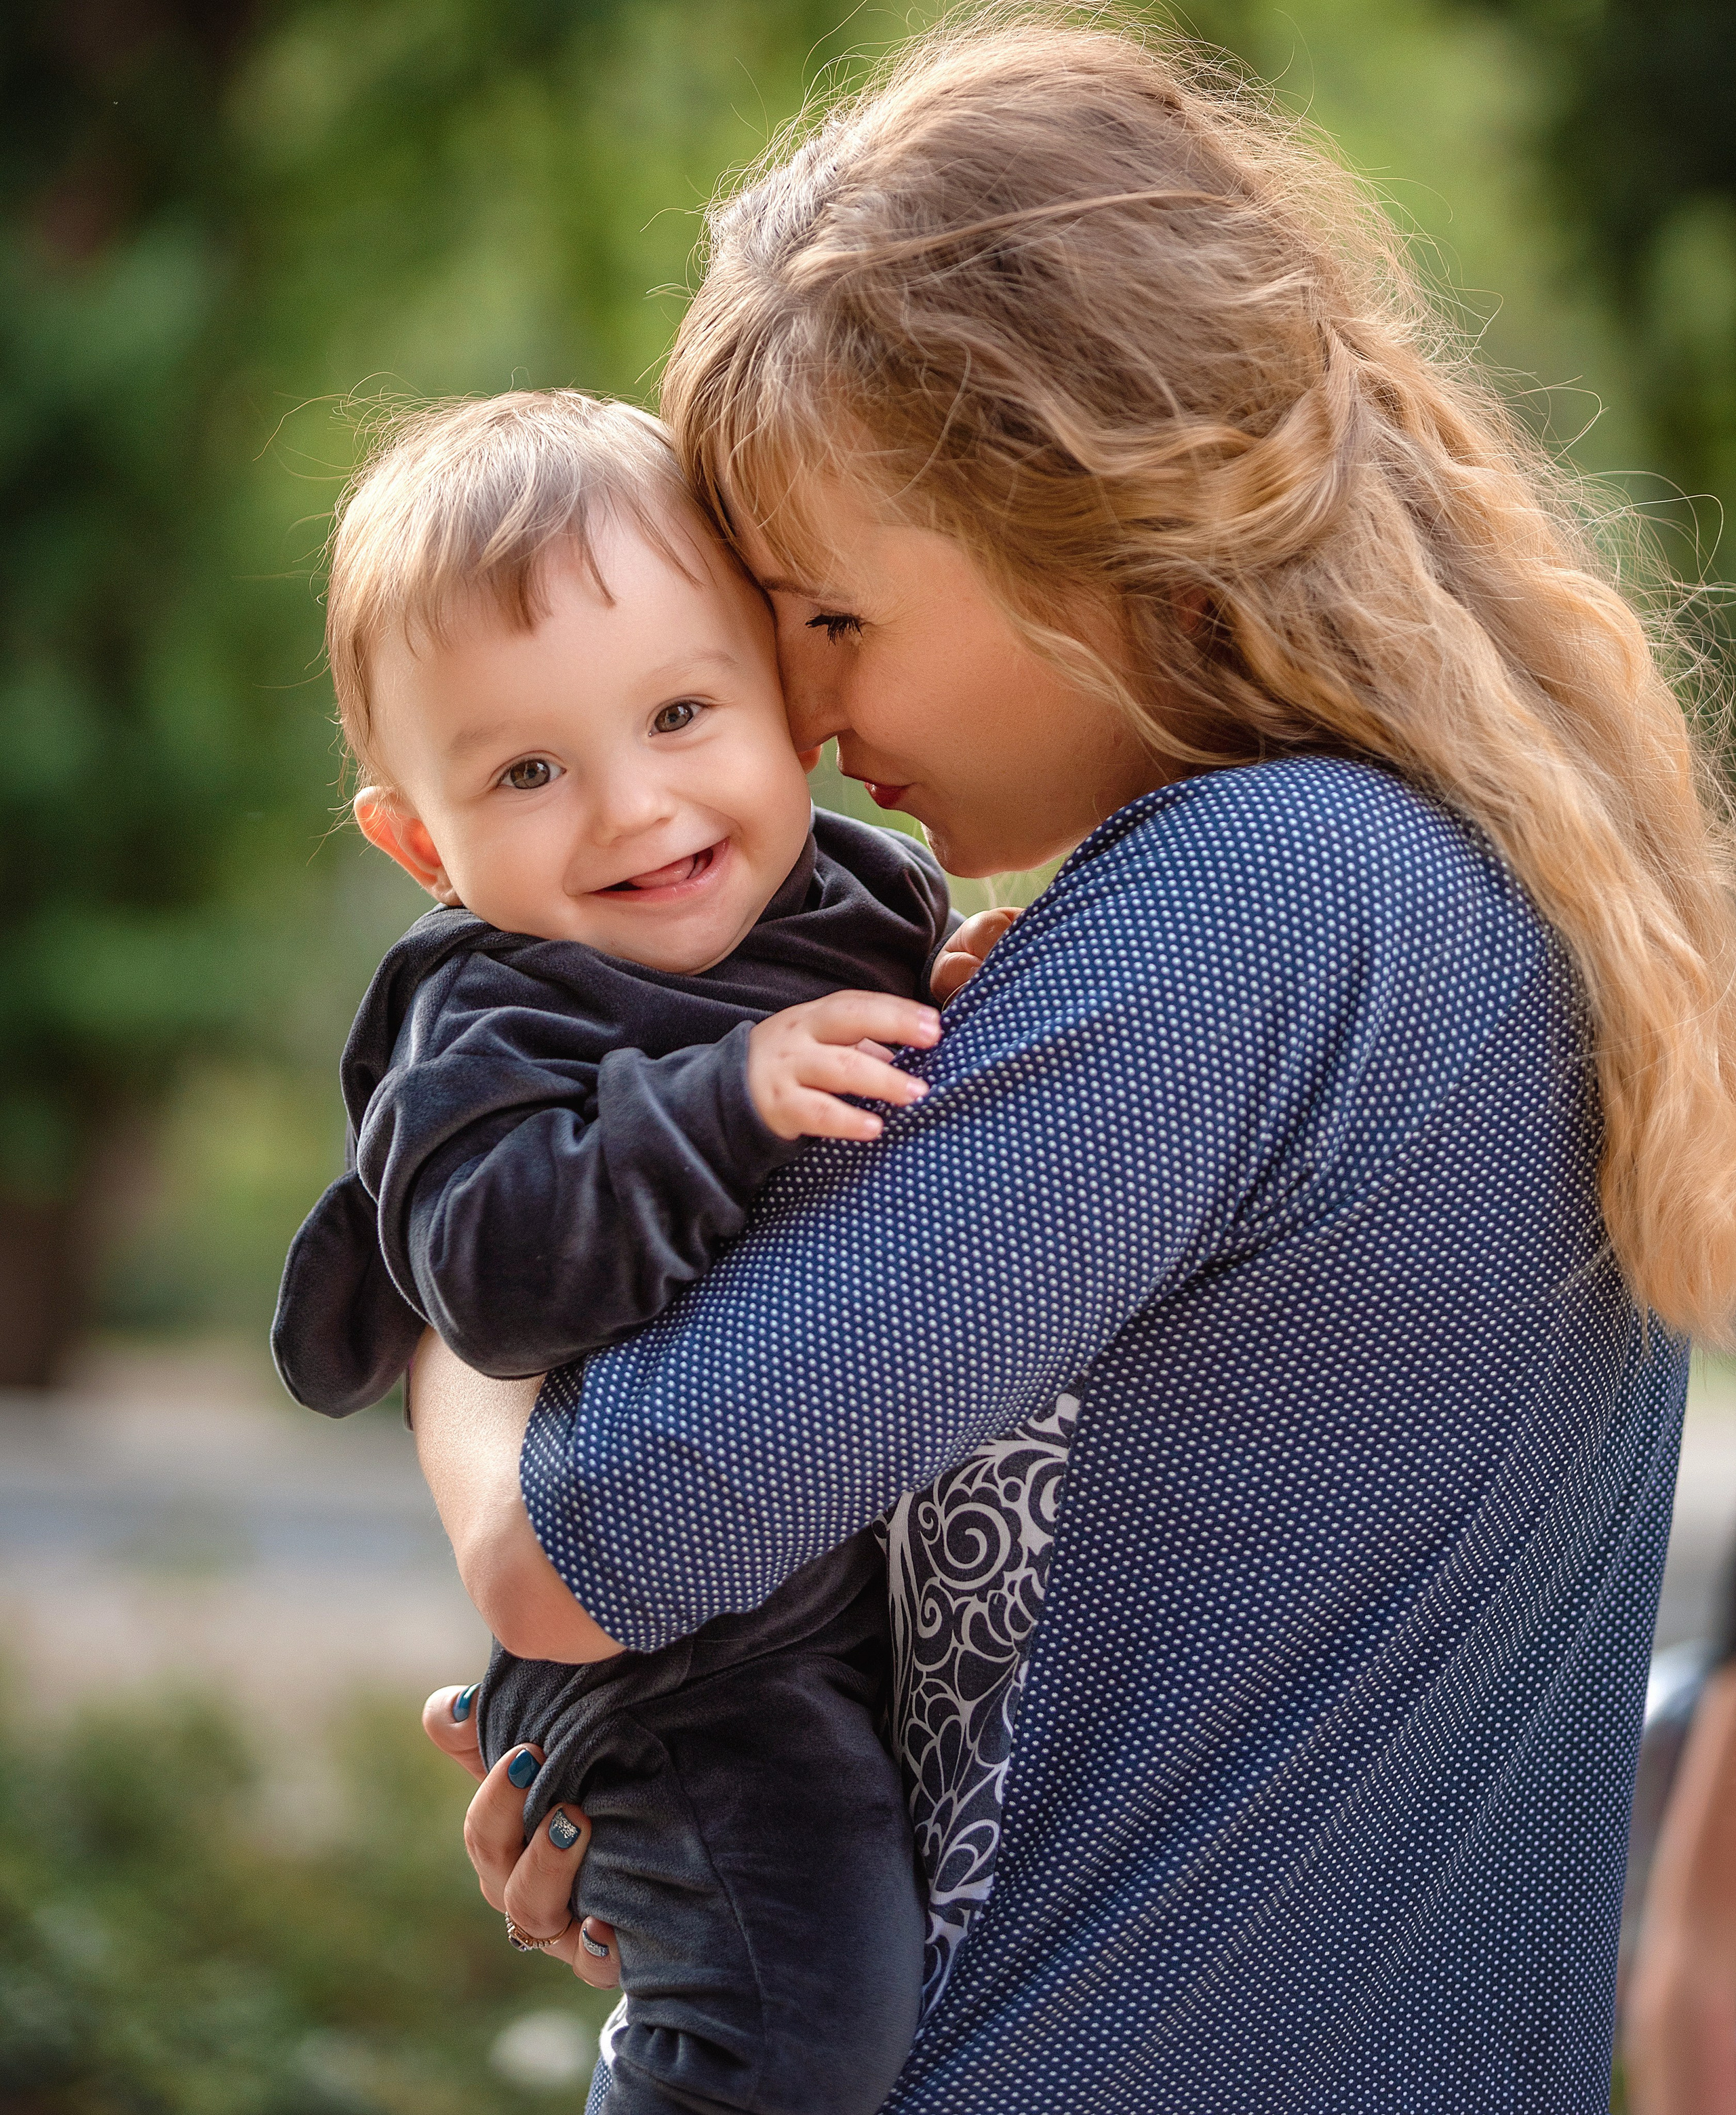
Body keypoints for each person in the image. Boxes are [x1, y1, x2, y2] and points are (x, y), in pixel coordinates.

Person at [403, 15, 1736, 2110]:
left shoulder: (1268, 897)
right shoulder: (1454, 889)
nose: (808, 718)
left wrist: (449, 1310)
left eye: (829, 618)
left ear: (1077, 512)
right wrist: (697, 1833)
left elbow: (591, 1538)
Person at [269, 390, 1021, 2114]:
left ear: (787, 702)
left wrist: (971, 1021)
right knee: (794, 2013)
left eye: (682, 712)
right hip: (687, 1661)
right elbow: (495, 1276)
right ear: (417, 844)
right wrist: (723, 1097)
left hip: (839, 1589)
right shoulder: (486, 1016)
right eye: (526, 770)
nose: (631, 808)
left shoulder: (858, 895)